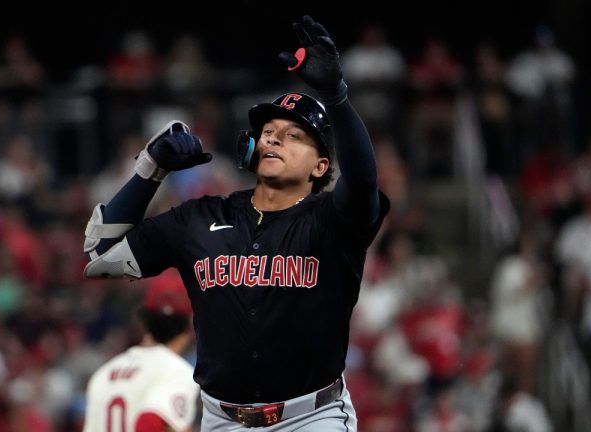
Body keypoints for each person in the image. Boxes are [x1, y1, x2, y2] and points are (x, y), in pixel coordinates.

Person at [83, 15, 389, 431]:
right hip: (221, 419)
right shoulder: (202, 216)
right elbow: (102, 255)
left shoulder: (332, 222)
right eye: (268, 131)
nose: (275, 138)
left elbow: (364, 181)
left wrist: (335, 96)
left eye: (294, 136)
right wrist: (150, 169)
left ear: (321, 166)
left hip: (312, 417)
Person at [83, 271, 199, 432]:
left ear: (145, 322)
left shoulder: (103, 374)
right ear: (189, 326)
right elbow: (148, 422)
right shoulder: (177, 372)